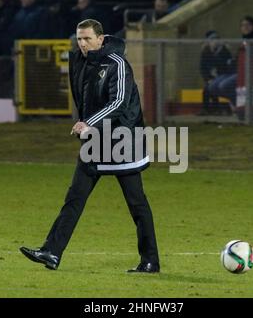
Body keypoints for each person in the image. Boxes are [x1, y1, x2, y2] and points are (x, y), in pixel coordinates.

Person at [20, 19, 160, 273]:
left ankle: (150, 261)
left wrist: (88, 123)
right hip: (95, 141)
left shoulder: (117, 63)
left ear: (101, 38)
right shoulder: (81, 62)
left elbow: (118, 102)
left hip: (121, 141)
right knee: (74, 197)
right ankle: (51, 252)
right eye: (79, 39)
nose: (82, 44)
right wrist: (89, 127)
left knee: (137, 203)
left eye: (87, 38)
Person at [199, 30, 234, 115]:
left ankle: (218, 109)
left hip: (223, 76)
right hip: (212, 77)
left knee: (214, 87)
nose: (215, 41)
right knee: (206, 90)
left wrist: (217, 55)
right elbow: (202, 68)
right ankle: (207, 109)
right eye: (212, 39)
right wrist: (207, 78)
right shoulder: (205, 52)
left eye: (216, 39)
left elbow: (227, 66)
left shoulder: (224, 51)